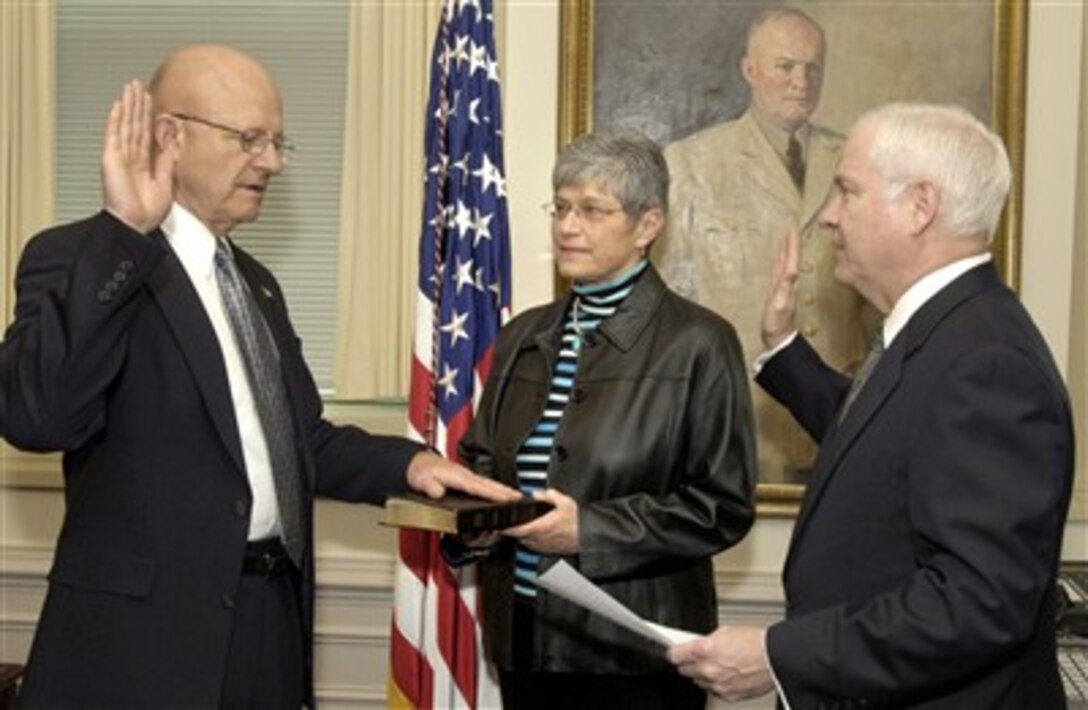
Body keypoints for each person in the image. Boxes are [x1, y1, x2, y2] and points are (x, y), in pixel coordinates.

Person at [1, 44, 519, 708]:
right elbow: (37, 416)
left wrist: (411, 467)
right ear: (170, 135)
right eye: (250, 138)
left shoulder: (256, 284)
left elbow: (300, 440)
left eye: (277, 142)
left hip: (267, 625)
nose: (271, 162)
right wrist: (126, 231)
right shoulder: (81, 257)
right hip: (139, 649)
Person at [667, 103, 1075, 708]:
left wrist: (781, 658)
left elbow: (978, 603)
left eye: (847, 191)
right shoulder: (946, 330)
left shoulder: (986, 362)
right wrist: (784, 350)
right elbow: (883, 436)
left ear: (920, 207)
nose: (828, 217)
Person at [449, 130, 757, 709]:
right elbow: (482, 462)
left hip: (635, 657)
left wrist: (588, 530)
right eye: (561, 207)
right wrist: (478, 521)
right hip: (523, 643)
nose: (568, 226)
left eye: (592, 210)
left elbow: (722, 506)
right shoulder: (523, 335)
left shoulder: (699, 342)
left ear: (648, 225)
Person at [657, 5, 873, 483]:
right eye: (785, 66)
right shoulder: (693, 164)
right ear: (749, 70)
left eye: (812, 68)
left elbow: (880, 299)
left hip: (838, 418)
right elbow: (671, 311)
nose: (801, 80)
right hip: (738, 421)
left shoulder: (858, 160)